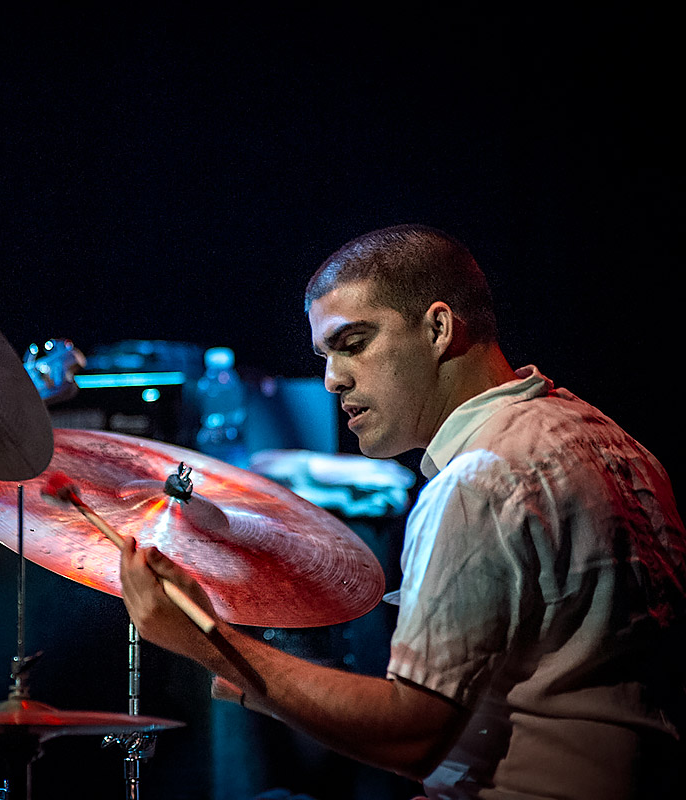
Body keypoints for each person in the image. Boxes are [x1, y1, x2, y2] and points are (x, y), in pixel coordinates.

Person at [119, 224, 685, 798]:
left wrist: (201, 638)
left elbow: (413, 738)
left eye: (353, 343)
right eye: (325, 355)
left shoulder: (479, 479)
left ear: (438, 328)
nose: (332, 380)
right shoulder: (619, 446)